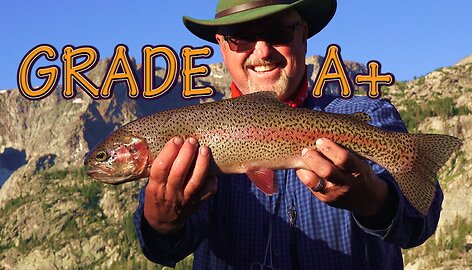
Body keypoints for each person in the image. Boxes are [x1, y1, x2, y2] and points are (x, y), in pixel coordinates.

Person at [134, 0, 442, 269]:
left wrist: (374, 200)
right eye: (242, 37)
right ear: (222, 45)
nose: (263, 51)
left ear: (303, 35)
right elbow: (168, 247)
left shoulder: (370, 116)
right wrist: (161, 224)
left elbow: (420, 221)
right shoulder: (193, 132)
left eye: (278, 32)